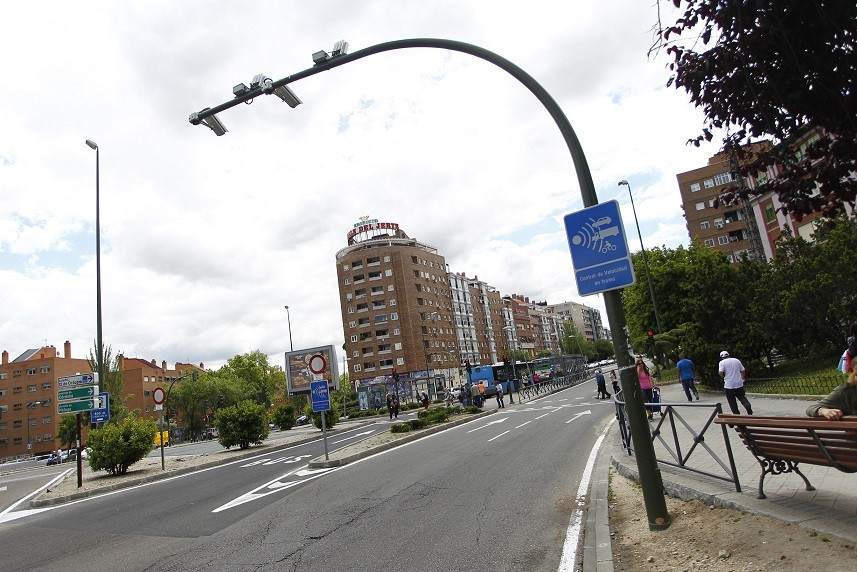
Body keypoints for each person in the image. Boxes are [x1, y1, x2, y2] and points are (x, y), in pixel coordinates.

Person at [718, 350, 753, 415]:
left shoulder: (722, 362)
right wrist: (742, 378)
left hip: (729, 386)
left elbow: (720, 372)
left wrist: (723, 376)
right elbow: (743, 370)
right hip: (739, 384)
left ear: (721, 357)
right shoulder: (736, 360)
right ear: (728, 355)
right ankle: (749, 409)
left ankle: (737, 416)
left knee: (732, 402)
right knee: (742, 398)